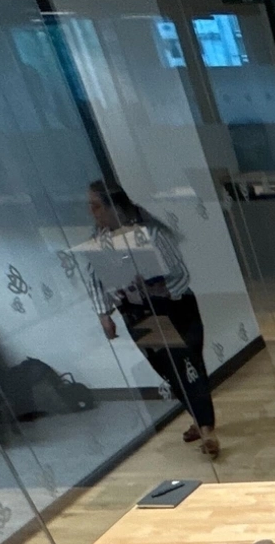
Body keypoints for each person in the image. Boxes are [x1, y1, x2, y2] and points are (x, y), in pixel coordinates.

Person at [83, 180, 218, 458]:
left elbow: (180, 273)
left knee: (188, 366)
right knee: (167, 369)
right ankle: (199, 419)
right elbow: (95, 278)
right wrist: (103, 313)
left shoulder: (150, 231)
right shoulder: (98, 240)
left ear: (113, 206)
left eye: (96, 206)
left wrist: (157, 288)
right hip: (137, 311)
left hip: (172, 307)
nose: (92, 212)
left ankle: (206, 428)